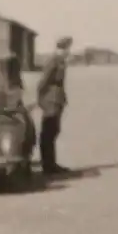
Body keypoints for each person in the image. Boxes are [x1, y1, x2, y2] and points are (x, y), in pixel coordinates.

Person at [37, 36, 73, 174]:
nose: (68, 51)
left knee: (53, 132)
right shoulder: (53, 61)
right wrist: (41, 99)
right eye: (67, 48)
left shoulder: (60, 61)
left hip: (56, 100)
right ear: (62, 49)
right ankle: (48, 166)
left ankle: (50, 164)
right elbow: (43, 82)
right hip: (51, 101)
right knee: (49, 132)